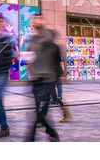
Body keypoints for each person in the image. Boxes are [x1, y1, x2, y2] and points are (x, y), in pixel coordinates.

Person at [25, 14, 60, 142]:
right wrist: (26, 60)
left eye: (38, 19)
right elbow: (29, 58)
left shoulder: (47, 35)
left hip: (47, 79)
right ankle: (52, 133)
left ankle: (30, 138)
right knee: (40, 112)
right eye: (34, 20)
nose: (35, 21)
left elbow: (51, 36)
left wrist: (41, 28)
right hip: (36, 80)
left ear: (43, 21)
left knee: (39, 112)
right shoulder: (32, 41)